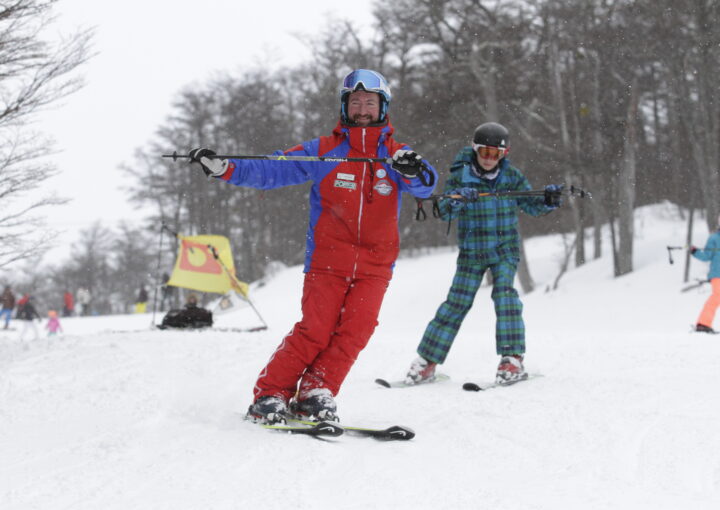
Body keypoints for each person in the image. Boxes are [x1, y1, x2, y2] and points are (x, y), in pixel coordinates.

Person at [188, 69, 437, 424]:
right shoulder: (324, 151)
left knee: (356, 331)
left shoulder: (397, 155)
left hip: (375, 266)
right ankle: (271, 393)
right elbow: (272, 169)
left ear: (383, 107)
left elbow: (426, 185)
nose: (363, 109)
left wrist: (412, 170)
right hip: (328, 261)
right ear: (344, 106)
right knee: (316, 330)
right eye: (356, 102)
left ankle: (317, 391)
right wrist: (225, 168)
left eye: (370, 102)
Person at [405, 122, 563, 386]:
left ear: (505, 154)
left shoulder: (511, 176)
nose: (489, 159)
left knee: (505, 295)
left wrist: (548, 200)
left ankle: (511, 360)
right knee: (456, 303)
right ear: (474, 149)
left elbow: (532, 206)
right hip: (472, 251)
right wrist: (457, 199)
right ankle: (426, 362)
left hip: (504, 249)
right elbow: (442, 211)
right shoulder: (460, 175)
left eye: (496, 154)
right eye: (484, 153)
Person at [690, 226, 720, 333]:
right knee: (717, 297)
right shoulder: (714, 238)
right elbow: (706, 256)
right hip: (718, 274)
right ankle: (703, 324)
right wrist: (695, 251)